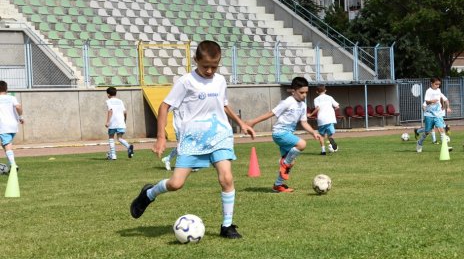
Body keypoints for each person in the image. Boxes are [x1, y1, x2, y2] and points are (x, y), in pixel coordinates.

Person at [129, 41, 255, 239]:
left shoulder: (220, 81)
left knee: (227, 178)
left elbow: (223, 105)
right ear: (195, 60)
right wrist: (161, 137)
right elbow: (164, 107)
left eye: (214, 66)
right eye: (205, 66)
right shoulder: (186, 81)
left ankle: (227, 225)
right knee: (176, 184)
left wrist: (241, 122)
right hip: (193, 139)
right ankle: (149, 194)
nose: (210, 70)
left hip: (219, 135)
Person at [246, 76, 320, 193]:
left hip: (287, 133)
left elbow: (304, 122)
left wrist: (313, 132)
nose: (304, 95)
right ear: (293, 91)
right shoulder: (287, 102)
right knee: (302, 144)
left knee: (291, 162)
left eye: (306, 92)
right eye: (301, 92)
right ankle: (284, 163)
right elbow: (271, 113)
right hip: (280, 133)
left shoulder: (303, 105)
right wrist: (253, 122)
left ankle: (278, 185)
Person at [414, 77, 451, 153]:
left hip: (438, 114)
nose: (437, 86)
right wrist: (431, 101)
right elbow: (426, 102)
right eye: (436, 84)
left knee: (441, 129)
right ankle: (419, 143)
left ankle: (445, 147)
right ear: (431, 83)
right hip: (429, 115)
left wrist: (448, 107)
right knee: (427, 132)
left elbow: (445, 100)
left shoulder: (439, 90)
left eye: (439, 84)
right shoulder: (428, 91)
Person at [104, 86, 134, 160]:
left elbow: (110, 110)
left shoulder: (108, 101)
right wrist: (124, 121)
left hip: (113, 123)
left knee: (111, 138)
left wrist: (108, 121)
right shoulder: (120, 101)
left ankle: (113, 155)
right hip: (121, 123)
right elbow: (125, 112)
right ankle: (128, 146)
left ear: (108, 94)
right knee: (119, 138)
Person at [310, 84, 340, 155]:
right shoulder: (330, 97)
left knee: (321, 135)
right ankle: (331, 143)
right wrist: (332, 110)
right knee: (330, 135)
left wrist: (310, 114)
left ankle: (323, 151)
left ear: (317, 92)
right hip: (330, 118)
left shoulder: (316, 99)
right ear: (325, 90)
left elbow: (317, 108)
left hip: (322, 119)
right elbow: (337, 106)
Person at [0, 80, 24, 169]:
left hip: (3, 125)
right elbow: (18, 106)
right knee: (4, 144)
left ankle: (13, 165)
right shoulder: (11, 97)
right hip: (13, 125)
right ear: (6, 88)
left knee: (7, 144)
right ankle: (10, 162)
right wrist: (21, 117)